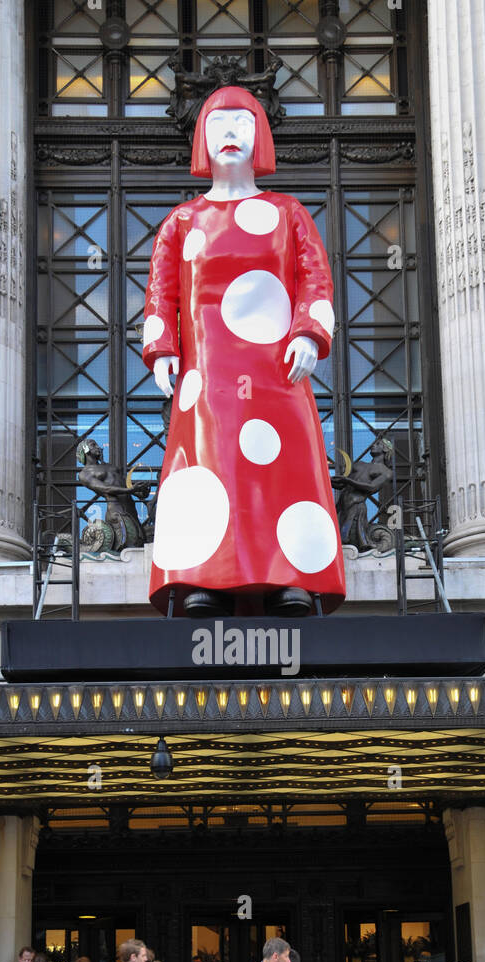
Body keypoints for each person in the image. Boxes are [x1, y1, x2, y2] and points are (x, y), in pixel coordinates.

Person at [142, 85, 345, 619]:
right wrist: (162, 347)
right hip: (207, 373)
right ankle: (205, 577)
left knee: (281, 468)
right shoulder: (181, 223)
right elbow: (161, 293)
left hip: (276, 371)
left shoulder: (289, 213)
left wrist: (308, 334)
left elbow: (315, 282)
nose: (230, 134)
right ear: (201, 141)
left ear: (262, 137)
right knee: (211, 462)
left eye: (242, 123)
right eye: (218, 124)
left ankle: (291, 576)